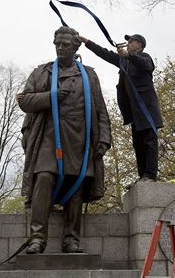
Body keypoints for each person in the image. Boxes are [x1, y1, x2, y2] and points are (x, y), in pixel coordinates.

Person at [17, 26, 111, 254]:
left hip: (80, 139)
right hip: (49, 138)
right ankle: (37, 238)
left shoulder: (89, 75)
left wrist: (104, 138)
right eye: (57, 44)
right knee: (44, 179)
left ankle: (71, 239)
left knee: (76, 186)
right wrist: (51, 97)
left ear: (75, 47)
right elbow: (24, 101)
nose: (61, 48)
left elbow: (100, 109)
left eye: (66, 45)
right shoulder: (42, 73)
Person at [78, 34, 163, 185]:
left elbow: (146, 65)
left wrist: (128, 55)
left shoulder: (145, 57)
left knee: (150, 142)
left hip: (147, 110)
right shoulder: (123, 61)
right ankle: (143, 176)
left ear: (140, 46)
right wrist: (86, 41)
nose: (128, 43)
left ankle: (150, 176)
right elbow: (104, 53)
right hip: (134, 113)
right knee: (138, 145)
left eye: (132, 41)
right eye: (128, 41)